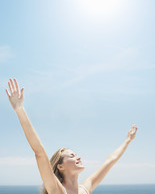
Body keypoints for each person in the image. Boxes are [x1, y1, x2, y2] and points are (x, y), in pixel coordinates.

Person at [6, 78, 138, 194]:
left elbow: (110, 161)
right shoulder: (57, 190)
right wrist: (19, 109)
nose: (78, 157)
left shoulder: (86, 188)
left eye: (75, 154)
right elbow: (39, 151)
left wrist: (128, 140)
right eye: (71, 155)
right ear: (60, 166)